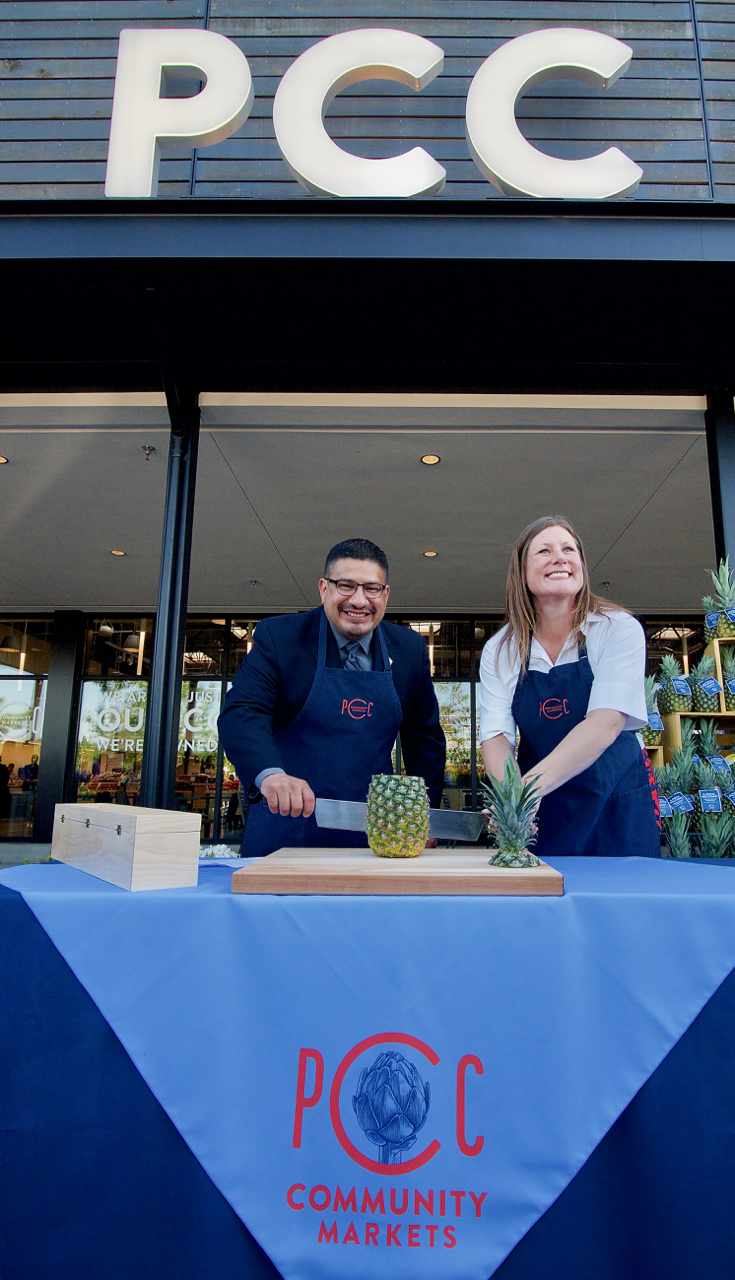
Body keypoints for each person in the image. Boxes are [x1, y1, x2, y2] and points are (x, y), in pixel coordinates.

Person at [219, 537, 446, 857]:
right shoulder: (280, 637)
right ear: (324, 588)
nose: (359, 600)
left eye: (371, 588)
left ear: (386, 595)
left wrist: (426, 816)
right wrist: (270, 776)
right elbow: (243, 712)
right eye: (346, 586)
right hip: (284, 828)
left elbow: (424, 741)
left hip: (377, 836)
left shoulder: (409, 649)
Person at [479, 516, 660, 859]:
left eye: (569, 549)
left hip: (616, 802)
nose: (560, 557)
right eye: (544, 550)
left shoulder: (616, 629)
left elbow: (605, 723)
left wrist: (524, 793)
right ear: (521, 571)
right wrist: (509, 799)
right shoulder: (500, 650)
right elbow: (496, 737)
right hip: (545, 811)